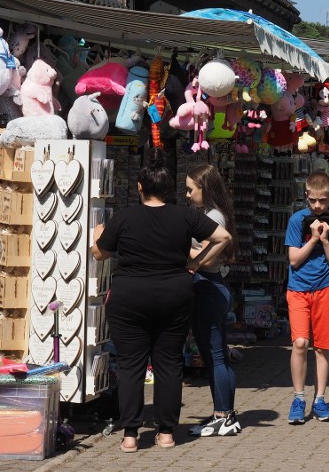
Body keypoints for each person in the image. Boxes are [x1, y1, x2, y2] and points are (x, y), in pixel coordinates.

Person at [92, 149, 232, 452]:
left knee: (131, 366)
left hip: (130, 297)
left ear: (140, 187)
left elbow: (100, 253)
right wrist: (196, 264)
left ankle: (130, 435)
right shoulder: (185, 215)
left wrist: (96, 235)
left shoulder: (125, 217)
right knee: (168, 364)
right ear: (168, 190)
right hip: (174, 295)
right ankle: (166, 433)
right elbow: (224, 238)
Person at [284, 171, 329, 424]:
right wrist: (312, 239)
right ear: (306, 197)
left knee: (322, 347)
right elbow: (294, 260)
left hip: (325, 288)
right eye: (312, 201)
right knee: (300, 343)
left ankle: (320, 399)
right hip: (298, 289)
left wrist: (325, 241)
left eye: (322, 201)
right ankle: (299, 398)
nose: (317, 206)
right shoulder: (296, 220)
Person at [183, 164, 242, 437]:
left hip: (208, 287)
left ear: (203, 188)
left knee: (214, 355)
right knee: (219, 355)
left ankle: (222, 416)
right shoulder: (214, 213)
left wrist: (186, 251)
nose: (187, 194)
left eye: (190, 189)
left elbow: (208, 254)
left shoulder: (214, 216)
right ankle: (225, 412)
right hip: (214, 287)